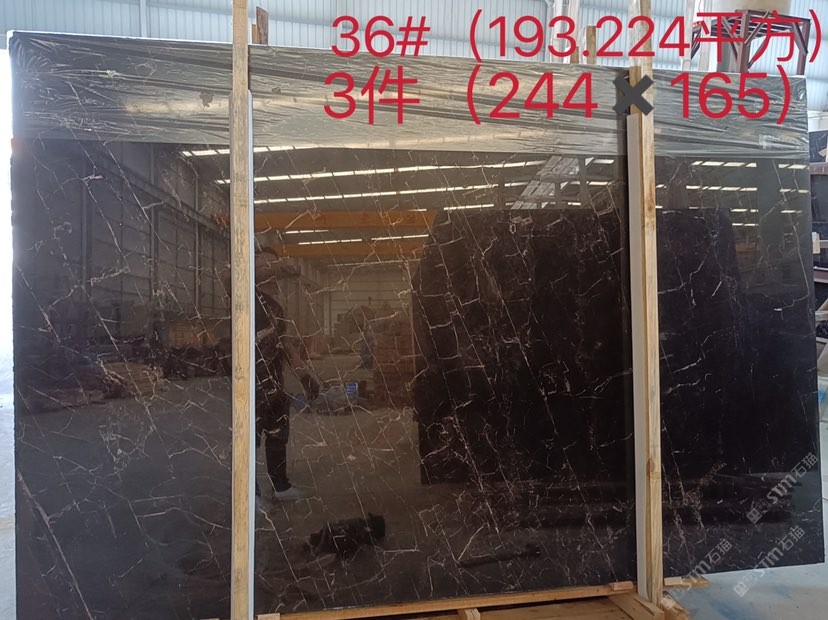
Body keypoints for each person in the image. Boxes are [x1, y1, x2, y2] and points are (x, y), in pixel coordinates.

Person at [225, 249, 320, 501]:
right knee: (250, 438)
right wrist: (255, 266)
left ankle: (281, 487)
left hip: (275, 383)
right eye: (263, 260)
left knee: (278, 434)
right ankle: (250, 495)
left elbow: (285, 344)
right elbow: (226, 276)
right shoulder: (243, 296)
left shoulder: (275, 307)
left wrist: (304, 375)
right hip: (250, 383)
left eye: (272, 262)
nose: (269, 265)